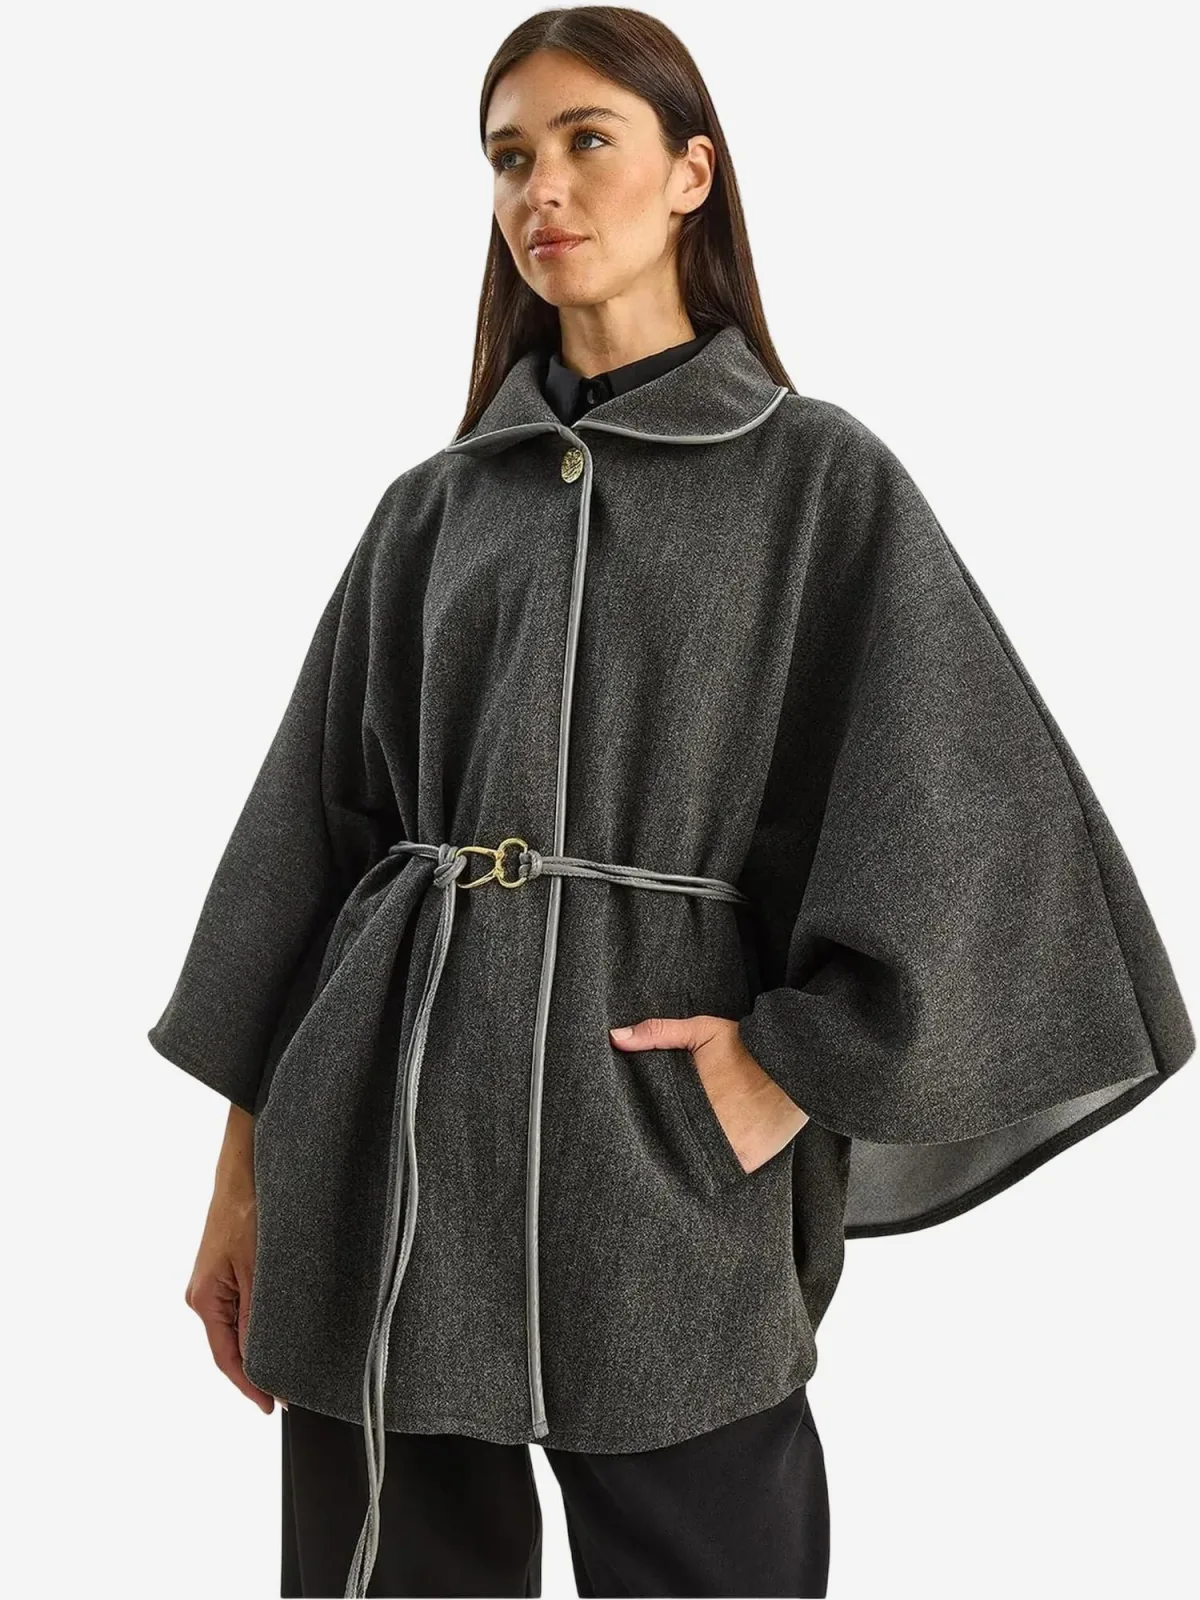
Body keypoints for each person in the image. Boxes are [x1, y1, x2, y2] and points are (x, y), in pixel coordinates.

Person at [150, 8, 1195, 1599]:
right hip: (391, 1163)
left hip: (656, 1159)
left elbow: (971, 816)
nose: (543, 191)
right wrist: (243, 1186)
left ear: (691, 172)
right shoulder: (431, 511)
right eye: (510, 157)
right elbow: (305, 854)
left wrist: (793, 1070)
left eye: (588, 142)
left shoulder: (818, 479)